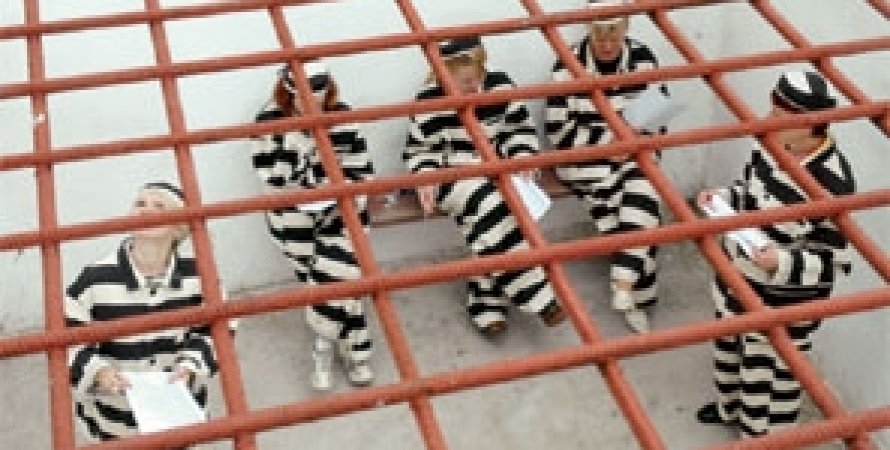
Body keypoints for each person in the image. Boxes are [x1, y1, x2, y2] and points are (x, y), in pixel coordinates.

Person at [695, 71, 855, 438]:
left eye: (779, 115)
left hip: (783, 302)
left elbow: (834, 259)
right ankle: (728, 407)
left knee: (769, 374)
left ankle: (764, 439)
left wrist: (781, 261)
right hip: (737, 278)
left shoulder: (833, 182)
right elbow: (748, 191)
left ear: (808, 124)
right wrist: (724, 198)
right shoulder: (770, 144)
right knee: (728, 348)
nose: (768, 120)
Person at [404, 36, 566, 335]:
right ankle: (540, 297)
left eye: (477, 77)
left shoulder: (500, 86)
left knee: (495, 220)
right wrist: (425, 179)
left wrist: (522, 157)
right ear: (444, 75)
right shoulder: (428, 101)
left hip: (497, 171)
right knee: (496, 206)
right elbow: (420, 151)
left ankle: (485, 302)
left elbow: (518, 130)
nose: (473, 86)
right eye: (464, 81)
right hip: (454, 178)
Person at [65, 182, 222, 441]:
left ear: (178, 227)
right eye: (140, 203)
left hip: (177, 412)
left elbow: (217, 328)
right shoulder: (95, 278)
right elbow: (67, 336)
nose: (146, 210)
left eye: (159, 206)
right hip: (114, 420)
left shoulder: (200, 275)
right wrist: (99, 372)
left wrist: (190, 366)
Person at [252, 61, 375, 390]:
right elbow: (272, 179)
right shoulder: (267, 122)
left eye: (320, 99)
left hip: (340, 208)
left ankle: (323, 348)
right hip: (292, 212)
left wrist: (341, 189)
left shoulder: (343, 115)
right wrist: (298, 143)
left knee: (340, 273)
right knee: (331, 281)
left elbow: (362, 169)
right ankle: (355, 351)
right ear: (289, 94)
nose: (315, 106)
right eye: (306, 101)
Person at [545, 0, 666, 333]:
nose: (608, 45)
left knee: (643, 190)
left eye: (615, 36)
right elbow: (558, 131)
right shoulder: (567, 64)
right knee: (635, 209)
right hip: (584, 160)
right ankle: (636, 294)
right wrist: (607, 143)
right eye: (600, 37)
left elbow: (657, 117)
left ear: (627, 29)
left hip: (633, 153)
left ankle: (624, 282)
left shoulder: (643, 58)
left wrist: (630, 141)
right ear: (589, 31)